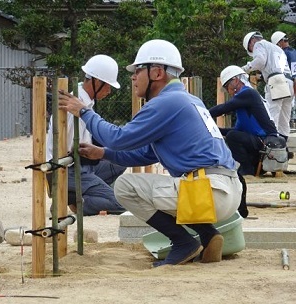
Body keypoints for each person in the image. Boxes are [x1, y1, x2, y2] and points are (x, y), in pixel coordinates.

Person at [58, 39, 242, 266]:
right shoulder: (188, 100)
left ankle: (184, 242)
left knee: (125, 187)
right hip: (226, 190)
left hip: (209, 192)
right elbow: (145, 154)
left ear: (156, 72)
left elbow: (119, 138)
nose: (133, 77)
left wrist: (84, 112)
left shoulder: (165, 102)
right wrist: (102, 153)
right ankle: (208, 234)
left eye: (137, 71)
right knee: (158, 184)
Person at [46, 54, 126, 216]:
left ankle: (85, 192)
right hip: (67, 169)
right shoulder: (74, 104)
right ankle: (79, 201)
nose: (109, 91)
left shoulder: (86, 101)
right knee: (119, 204)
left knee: (121, 160)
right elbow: (65, 148)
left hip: (84, 165)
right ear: (97, 81)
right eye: (107, 86)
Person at [209, 65, 279, 176]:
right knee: (233, 135)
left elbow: (224, 108)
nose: (228, 91)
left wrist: (203, 115)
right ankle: (250, 167)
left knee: (232, 136)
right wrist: (215, 130)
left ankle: (247, 170)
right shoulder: (243, 103)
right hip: (261, 144)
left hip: (265, 142)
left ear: (236, 80)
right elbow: (237, 131)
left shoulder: (248, 93)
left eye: (227, 86)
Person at [242, 31, 294, 141]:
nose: (253, 51)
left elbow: (260, 61)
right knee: (284, 117)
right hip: (288, 82)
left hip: (277, 81)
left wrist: (245, 68)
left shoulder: (259, 44)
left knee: (272, 114)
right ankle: (283, 144)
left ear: (251, 41)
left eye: (250, 49)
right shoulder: (277, 48)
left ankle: (272, 142)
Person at [271, 31, 296, 132]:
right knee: (286, 114)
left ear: (279, 43)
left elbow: (279, 70)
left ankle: (275, 137)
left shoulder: (283, 53)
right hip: (292, 84)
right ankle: (283, 136)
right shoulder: (293, 52)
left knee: (276, 112)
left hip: (285, 83)